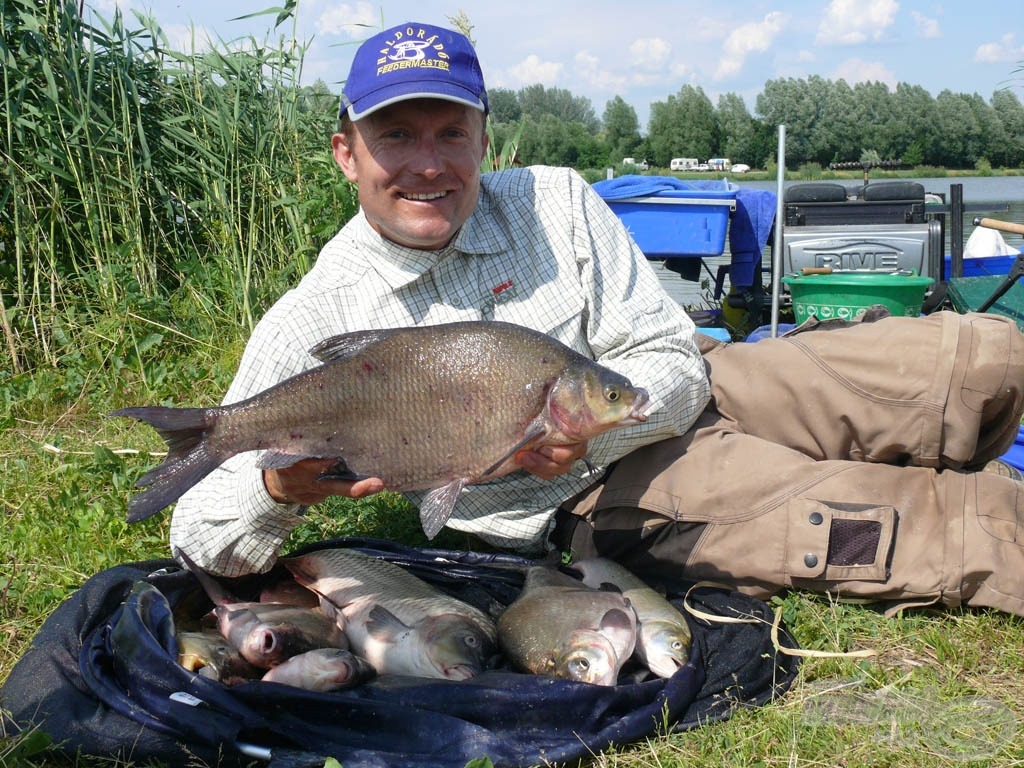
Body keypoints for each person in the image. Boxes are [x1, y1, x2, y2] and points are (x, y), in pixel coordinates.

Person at [170, 21, 1024, 619]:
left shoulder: (559, 202)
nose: (427, 164)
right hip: (584, 497)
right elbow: (198, 536)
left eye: (450, 132)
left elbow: (668, 356)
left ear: (483, 139)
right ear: (347, 152)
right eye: (396, 137)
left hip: (668, 398)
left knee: (979, 357)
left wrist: (598, 421)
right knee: (899, 518)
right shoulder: (314, 316)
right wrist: (276, 487)